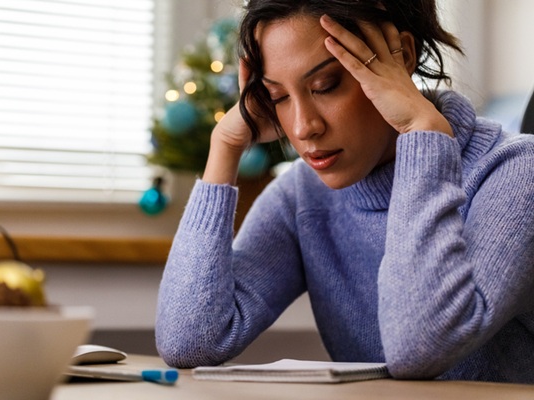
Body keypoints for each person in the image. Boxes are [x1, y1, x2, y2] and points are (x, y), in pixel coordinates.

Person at [155, 0, 534, 383]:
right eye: (277, 97)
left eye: (326, 85)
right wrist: (225, 146)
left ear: (400, 58)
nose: (303, 128)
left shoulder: (517, 173)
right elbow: (187, 342)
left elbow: (418, 350)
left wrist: (424, 133)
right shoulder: (301, 195)